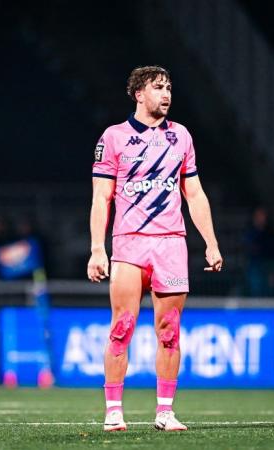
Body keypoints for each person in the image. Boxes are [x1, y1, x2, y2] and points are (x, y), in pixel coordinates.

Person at [87, 66, 223, 432]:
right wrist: (98, 248)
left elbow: (193, 193)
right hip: (129, 244)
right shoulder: (113, 137)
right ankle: (113, 411)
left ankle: (165, 411)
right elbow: (102, 197)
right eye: (158, 87)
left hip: (171, 245)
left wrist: (211, 243)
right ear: (138, 94)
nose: (166, 94)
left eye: (169, 88)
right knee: (122, 327)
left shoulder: (181, 137)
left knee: (170, 331)